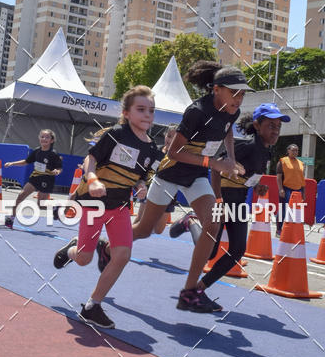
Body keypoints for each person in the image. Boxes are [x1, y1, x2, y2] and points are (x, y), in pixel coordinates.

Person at [100, 62, 251, 313]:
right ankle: (106, 248)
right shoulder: (197, 112)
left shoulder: (232, 112)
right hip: (171, 173)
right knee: (145, 230)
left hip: (197, 176)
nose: (239, 97)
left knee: (212, 225)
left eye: (243, 93)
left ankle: (189, 292)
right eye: (234, 91)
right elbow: (173, 151)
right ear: (216, 90)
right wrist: (214, 162)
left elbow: (228, 134)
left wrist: (232, 159)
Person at [53, 86, 160, 329]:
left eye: (151, 111)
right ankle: (72, 250)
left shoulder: (152, 149)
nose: (147, 115)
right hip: (94, 204)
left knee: (122, 256)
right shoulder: (116, 134)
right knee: (83, 259)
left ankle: (92, 306)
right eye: (141, 109)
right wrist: (92, 179)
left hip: (120, 206)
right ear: (126, 112)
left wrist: (141, 186)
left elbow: (141, 176)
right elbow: (90, 159)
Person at [201, 103, 289, 292]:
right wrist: (218, 202)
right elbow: (215, 169)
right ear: (257, 126)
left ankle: (199, 288)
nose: (275, 131)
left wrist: (256, 185)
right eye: (271, 126)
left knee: (237, 250)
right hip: (223, 198)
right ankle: (190, 223)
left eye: (278, 127)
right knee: (210, 253)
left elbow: (243, 173)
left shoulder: (267, 151)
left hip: (240, 201)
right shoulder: (245, 146)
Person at [2, 129, 63, 228]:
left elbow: (59, 168)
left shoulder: (53, 154)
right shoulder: (37, 151)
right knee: (20, 196)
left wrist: (57, 171)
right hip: (35, 178)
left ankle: (55, 207)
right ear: (39, 138)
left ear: (52, 140)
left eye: (47, 137)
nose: (44, 139)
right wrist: (12, 163)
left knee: (41, 205)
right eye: (42, 137)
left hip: (47, 180)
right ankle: (10, 219)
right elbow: (26, 161)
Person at [276, 143, 305, 237]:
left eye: (296, 150)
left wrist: (303, 192)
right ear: (288, 151)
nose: (295, 152)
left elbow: (302, 178)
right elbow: (279, 177)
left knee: (295, 211)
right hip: (286, 188)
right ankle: (279, 230)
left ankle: (291, 231)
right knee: (283, 210)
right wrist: (281, 189)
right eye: (293, 150)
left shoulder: (300, 163)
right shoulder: (283, 161)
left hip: (298, 189)